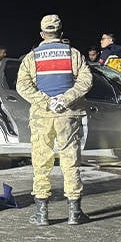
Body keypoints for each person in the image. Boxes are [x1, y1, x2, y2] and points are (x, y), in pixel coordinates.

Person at [16, 14, 93, 226]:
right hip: (67, 114)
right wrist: (65, 99)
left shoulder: (32, 57)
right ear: (60, 33)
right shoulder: (73, 54)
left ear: (42, 34)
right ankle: (75, 213)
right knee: (70, 161)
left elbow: (22, 86)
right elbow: (86, 81)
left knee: (41, 161)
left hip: (42, 116)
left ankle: (42, 215)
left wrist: (45, 102)